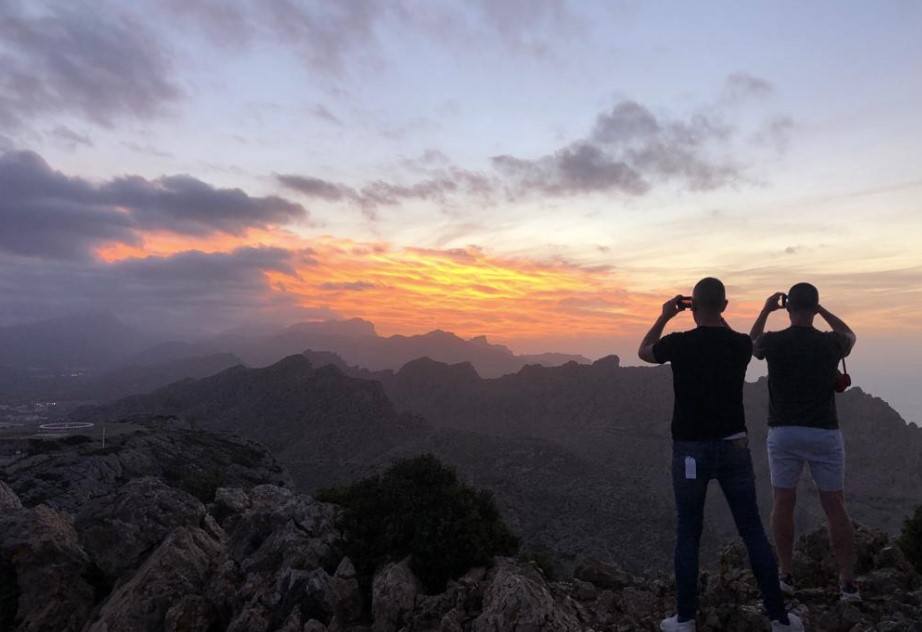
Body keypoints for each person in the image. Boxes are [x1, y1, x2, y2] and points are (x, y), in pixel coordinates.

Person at [639, 278, 801, 632]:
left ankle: (684, 619)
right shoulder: (739, 345)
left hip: (691, 452)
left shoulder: (679, 343)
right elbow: (741, 338)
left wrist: (666, 315)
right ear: (725, 306)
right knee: (753, 532)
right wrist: (737, 313)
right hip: (733, 449)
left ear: (692, 307)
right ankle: (779, 618)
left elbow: (644, 350)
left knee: (688, 533)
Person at [750, 282, 860, 601]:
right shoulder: (830, 343)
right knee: (835, 506)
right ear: (813, 308)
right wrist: (822, 310)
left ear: (788, 308)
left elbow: (752, 344)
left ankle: (785, 574)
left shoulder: (775, 341)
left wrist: (765, 310)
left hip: (784, 431)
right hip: (824, 431)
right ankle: (848, 583)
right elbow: (850, 335)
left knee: (783, 502)